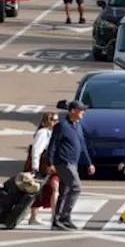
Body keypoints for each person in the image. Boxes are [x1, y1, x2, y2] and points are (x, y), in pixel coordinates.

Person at [46, 99, 95, 231]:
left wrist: (89, 163)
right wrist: (50, 163)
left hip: (73, 163)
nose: (83, 112)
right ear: (73, 111)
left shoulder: (78, 125)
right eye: (81, 110)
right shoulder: (61, 126)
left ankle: (57, 220)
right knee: (76, 187)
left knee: (65, 190)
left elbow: (82, 145)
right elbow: (53, 145)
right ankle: (64, 217)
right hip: (64, 162)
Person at [28, 111, 59, 226]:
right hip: (43, 167)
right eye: (53, 120)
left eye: (57, 120)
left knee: (53, 189)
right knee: (39, 190)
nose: (55, 122)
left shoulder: (53, 132)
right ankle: (34, 217)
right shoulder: (43, 133)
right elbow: (36, 151)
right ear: (46, 121)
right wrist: (34, 167)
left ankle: (54, 216)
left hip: (52, 166)